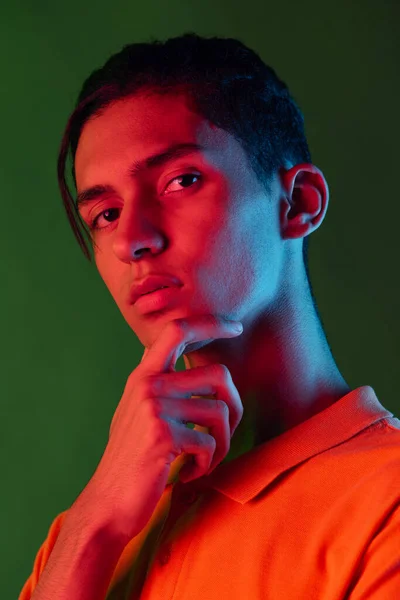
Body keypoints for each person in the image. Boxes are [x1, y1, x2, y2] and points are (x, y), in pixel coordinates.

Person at [19, 32, 400, 600]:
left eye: (181, 180)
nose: (132, 239)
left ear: (297, 204)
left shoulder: (384, 502)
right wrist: (94, 526)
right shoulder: (87, 531)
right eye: (104, 213)